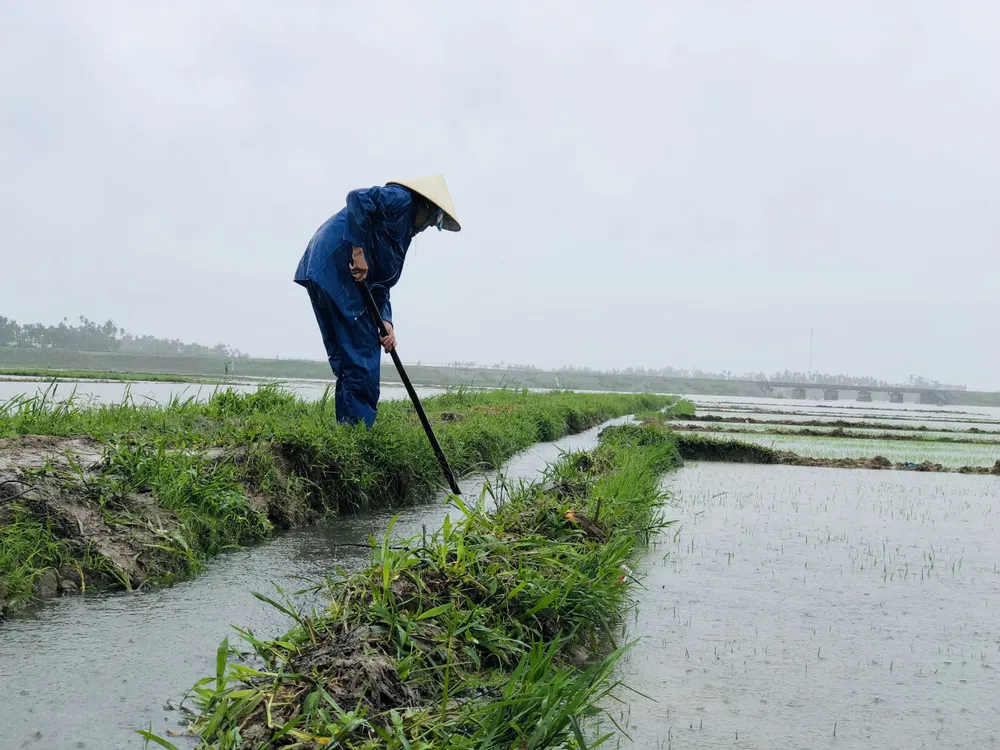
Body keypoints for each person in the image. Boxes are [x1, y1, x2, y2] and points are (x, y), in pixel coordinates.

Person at [294, 176, 461, 427]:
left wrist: (386, 320)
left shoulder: (402, 236)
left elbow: (381, 283)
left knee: (348, 357)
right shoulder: (401, 199)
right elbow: (357, 199)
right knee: (363, 355)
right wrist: (357, 252)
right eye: (435, 219)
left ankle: (349, 432)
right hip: (337, 267)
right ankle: (358, 434)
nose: (429, 226)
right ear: (426, 206)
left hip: (323, 271)